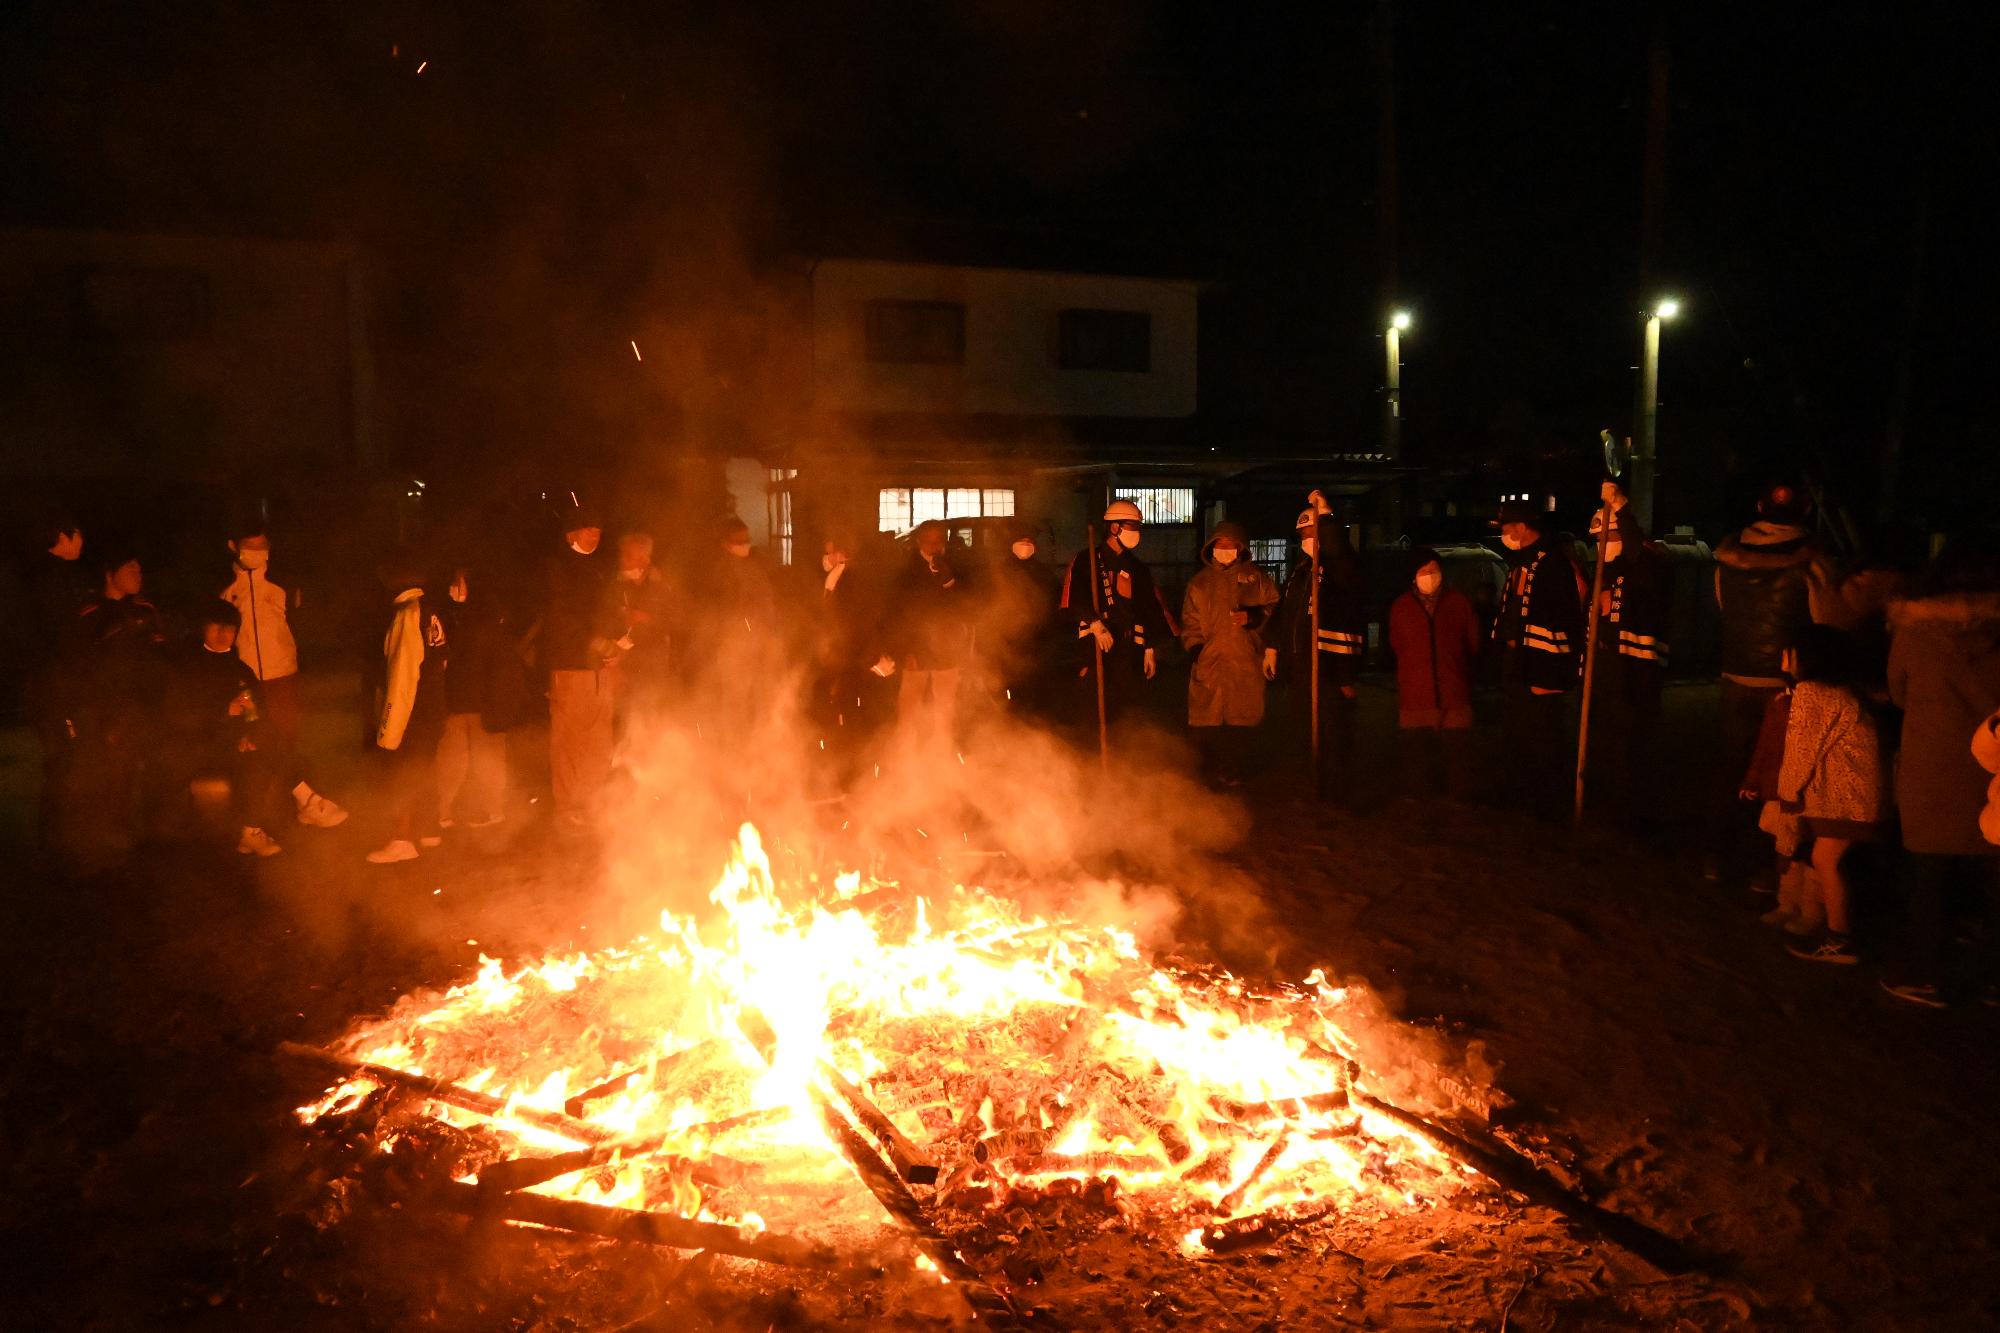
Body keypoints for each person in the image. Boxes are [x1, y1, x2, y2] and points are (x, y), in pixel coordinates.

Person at [1879, 548, 2000, 1006]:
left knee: (1930, 873)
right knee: (1992, 877)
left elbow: (1898, 691)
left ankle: (1927, 971)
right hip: (1993, 769)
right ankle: (1990, 975)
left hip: (1931, 765)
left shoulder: (1915, 631)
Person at [1711, 482, 1819, 884]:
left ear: (1759, 506)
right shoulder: (1813, 560)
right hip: (1784, 680)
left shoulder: (1729, 557)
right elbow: (1823, 615)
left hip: (1736, 673)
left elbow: (1724, 605)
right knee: (1778, 773)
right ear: (1806, 509)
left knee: (1733, 767)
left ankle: (1721, 855)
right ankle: (1767, 862)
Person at [217, 522, 348, 829]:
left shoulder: (283, 584)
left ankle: (290, 812)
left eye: (264, 547)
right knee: (255, 744)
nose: (259, 554)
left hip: (283, 676)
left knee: (285, 741)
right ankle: (262, 819)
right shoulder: (224, 589)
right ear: (233, 547)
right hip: (247, 681)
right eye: (251, 547)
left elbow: (303, 626)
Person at [1774, 627, 1890, 965]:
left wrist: (1788, 793)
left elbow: (1801, 749)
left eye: (1789, 651)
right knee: (1829, 859)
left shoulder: (1813, 693)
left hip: (1846, 797)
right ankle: (1838, 931)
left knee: (1827, 860)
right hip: (1860, 795)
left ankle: (1840, 938)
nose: (1782, 658)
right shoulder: (1842, 690)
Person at [164, 601, 285, 856]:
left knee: (262, 752)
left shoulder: (240, 669)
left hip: (233, 743)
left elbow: (258, 713)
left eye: (229, 628)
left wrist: (251, 735)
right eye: (216, 627)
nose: (222, 634)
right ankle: (303, 802)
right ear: (203, 629)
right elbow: (178, 714)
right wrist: (222, 711)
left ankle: (251, 831)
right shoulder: (186, 667)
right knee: (257, 756)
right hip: (197, 745)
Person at [1492, 500, 1584, 820]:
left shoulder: (1552, 562)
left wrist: (1555, 671)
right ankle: (1517, 788)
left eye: (1506, 528)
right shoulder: (1521, 561)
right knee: (1516, 727)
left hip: (1542, 663)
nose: (1503, 534)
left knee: (1545, 732)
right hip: (1517, 657)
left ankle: (1549, 799)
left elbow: (1564, 619)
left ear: (1520, 528)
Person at [1588, 482, 1671, 823]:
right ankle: (1614, 809)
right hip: (1612, 674)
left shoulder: (1648, 564)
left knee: (1635, 748)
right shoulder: (1608, 572)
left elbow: (1638, 556)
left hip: (1639, 674)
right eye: (1597, 541)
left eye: (1606, 538)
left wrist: (1621, 508)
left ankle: (1639, 817)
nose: (1600, 547)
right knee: (1613, 746)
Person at [74, 548, 169, 844]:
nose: (137, 575)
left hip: (147, 705)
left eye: (139, 570)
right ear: (109, 574)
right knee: (114, 774)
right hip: (110, 709)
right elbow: (83, 665)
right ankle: (110, 838)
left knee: (156, 769)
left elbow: (160, 655)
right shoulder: (91, 613)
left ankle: (156, 834)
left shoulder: (145, 610)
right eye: (129, 569)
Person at [1273, 506, 1367, 799]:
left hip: (1329, 667)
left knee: (1335, 734)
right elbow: (1285, 614)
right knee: (1306, 732)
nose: (1306, 538)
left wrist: (1345, 675)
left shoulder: (1340, 567)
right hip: (1302, 668)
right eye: (1302, 534)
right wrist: (1273, 648)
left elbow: (1348, 620)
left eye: (1312, 532)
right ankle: (1316, 785)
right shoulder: (1301, 570)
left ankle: (1339, 792)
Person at [1179, 521, 1280, 785]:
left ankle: (1234, 770)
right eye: (1220, 545)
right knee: (1206, 722)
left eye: (1230, 545)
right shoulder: (1199, 583)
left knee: (1241, 720)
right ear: (1211, 547)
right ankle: (1207, 772)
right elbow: (1189, 621)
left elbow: (1276, 609)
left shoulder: (1256, 579)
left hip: (1244, 660)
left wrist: (1256, 616)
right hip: (1210, 662)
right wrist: (1196, 648)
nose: (1225, 549)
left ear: (1240, 548)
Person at [540, 505, 620, 830]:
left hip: (600, 669)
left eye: (598, 531)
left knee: (599, 741)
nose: (595, 536)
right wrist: (596, 641)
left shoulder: (598, 568)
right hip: (571, 667)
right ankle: (568, 807)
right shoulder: (556, 567)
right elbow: (561, 618)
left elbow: (607, 610)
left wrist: (615, 643)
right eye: (589, 530)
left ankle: (595, 803)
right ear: (572, 532)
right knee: (570, 742)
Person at [1060, 499, 1171, 729]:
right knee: (1093, 710)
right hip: (1096, 645)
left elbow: (1150, 608)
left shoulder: (1138, 568)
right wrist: (1095, 623)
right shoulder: (1086, 559)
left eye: (1138, 527)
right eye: (1131, 526)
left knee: (1126, 713)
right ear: (1114, 527)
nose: (1136, 533)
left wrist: (1149, 647)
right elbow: (1073, 597)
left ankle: (1123, 760)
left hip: (1128, 648)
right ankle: (1090, 762)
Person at [367, 556, 447, 863]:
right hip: (434, 709)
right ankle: (428, 832)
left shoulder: (406, 615)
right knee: (425, 769)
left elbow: (402, 678)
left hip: (414, 712)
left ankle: (401, 839)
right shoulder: (430, 611)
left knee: (404, 774)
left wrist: (388, 732)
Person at [1386, 547, 1480, 801]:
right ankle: (1418, 794)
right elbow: (1396, 644)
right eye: (1424, 571)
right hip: (1416, 691)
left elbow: (1473, 643)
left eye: (1434, 570)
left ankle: (1461, 797)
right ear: (1413, 576)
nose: (1430, 575)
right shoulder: (1402, 607)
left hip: (1454, 689)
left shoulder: (1458, 603)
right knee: (1416, 751)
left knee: (1458, 750)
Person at [23, 511, 90, 847]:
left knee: (60, 757)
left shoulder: (39, 576)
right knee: (64, 757)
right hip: (58, 684)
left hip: (48, 681)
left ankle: (55, 834)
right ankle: (58, 837)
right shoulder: (55, 579)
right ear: (63, 537)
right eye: (78, 534)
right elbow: (63, 637)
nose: (82, 541)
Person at [811, 530, 897, 791]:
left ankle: (853, 783)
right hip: (828, 669)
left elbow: (857, 625)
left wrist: (871, 658)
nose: (833, 555)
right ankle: (831, 780)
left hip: (852, 668)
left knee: (852, 725)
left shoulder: (857, 581)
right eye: (829, 549)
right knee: (828, 726)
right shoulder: (822, 577)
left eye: (838, 550)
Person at [433, 566, 513, 831]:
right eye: (454, 583)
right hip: (454, 700)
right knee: (450, 760)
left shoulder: (487, 617)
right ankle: (441, 813)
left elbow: (499, 662)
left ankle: (493, 810)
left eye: (462, 583)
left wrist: (497, 699)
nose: (457, 588)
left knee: (488, 759)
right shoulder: (441, 616)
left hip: (482, 701)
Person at [888, 520, 972, 743]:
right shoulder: (906, 570)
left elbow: (966, 605)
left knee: (945, 708)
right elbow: (900, 614)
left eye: (939, 540)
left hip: (947, 649)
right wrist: (907, 650)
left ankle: (941, 751)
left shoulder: (955, 566)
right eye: (929, 541)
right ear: (919, 542)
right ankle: (905, 754)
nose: (934, 546)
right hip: (917, 648)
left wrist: (949, 580)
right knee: (910, 708)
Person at [977, 519, 1060, 715]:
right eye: (1020, 539)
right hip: (1006, 647)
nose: (1025, 544)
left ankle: (1035, 735)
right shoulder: (998, 573)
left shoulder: (1043, 574)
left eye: (1029, 540)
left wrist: (1049, 640)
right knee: (1007, 699)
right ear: (1011, 542)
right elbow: (985, 609)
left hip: (1037, 645)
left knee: (1036, 699)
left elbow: (1055, 608)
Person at [610, 531, 674, 725]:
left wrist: (649, 619)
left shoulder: (662, 585)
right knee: (623, 715)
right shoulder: (617, 586)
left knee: (649, 712)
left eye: (628, 556)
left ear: (644, 559)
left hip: (652, 662)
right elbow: (607, 619)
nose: (623, 560)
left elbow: (677, 620)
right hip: (623, 661)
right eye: (622, 555)